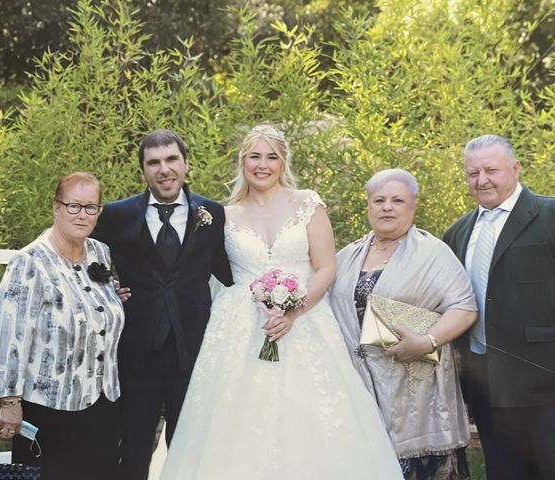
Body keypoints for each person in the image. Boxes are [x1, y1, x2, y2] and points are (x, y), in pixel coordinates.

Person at [158, 124, 403, 479]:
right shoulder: (221, 215)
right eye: (255, 156)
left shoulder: (307, 203)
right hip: (240, 328)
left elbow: (325, 267)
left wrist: (293, 311)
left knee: (310, 417)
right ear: (242, 162)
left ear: (283, 161)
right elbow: (192, 269)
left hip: (305, 322)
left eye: (271, 156)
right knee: (238, 423)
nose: (263, 165)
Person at [443, 134, 555, 480]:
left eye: (491, 170)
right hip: (488, 385)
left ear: (515, 168)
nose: (482, 180)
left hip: (553, 382)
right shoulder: (459, 232)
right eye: (472, 173)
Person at [91, 129, 233, 480]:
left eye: (171, 159)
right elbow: (86, 261)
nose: (163, 169)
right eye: (153, 163)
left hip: (194, 349)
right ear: (142, 171)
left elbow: (232, 274)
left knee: (190, 446)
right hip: (137, 351)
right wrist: (106, 291)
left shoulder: (213, 214)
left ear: (186, 165)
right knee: (135, 447)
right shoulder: (117, 214)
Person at [328, 168, 478, 480]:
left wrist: (428, 341)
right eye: (378, 200)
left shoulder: (433, 253)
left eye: (397, 200)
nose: (387, 207)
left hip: (416, 388)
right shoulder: (346, 255)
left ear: (413, 205)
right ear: (367, 206)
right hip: (359, 385)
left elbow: (464, 308)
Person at [0, 172, 124, 480]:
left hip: (103, 402)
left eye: (91, 207)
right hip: (50, 409)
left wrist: (111, 304)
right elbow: (12, 338)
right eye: (73, 205)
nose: (82, 214)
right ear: (56, 208)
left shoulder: (100, 252)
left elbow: (86, 307)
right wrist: (10, 403)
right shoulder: (30, 262)